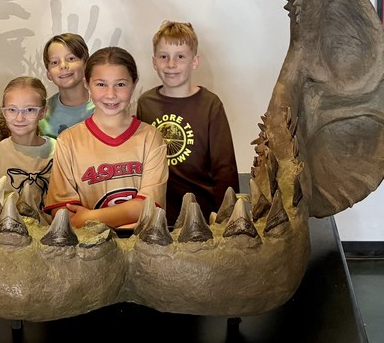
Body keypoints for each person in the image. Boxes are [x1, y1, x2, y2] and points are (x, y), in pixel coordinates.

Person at [44, 47, 167, 229]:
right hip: (88, 251)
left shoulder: (150, 138)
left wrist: (89, 217)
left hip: (143, 248)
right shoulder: (68, 140)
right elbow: (65, 214)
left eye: (120, 84)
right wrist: (125, 215)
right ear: (87, 84)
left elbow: (148, 208)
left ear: (134, 83)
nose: (111, 94)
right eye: (101, 84)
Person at [136, 21, 239, 224]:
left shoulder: (210, 104)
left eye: (180, 57)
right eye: (163, 56)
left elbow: (224, 166)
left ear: (194, 61)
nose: (171, 64)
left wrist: (227, 216)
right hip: (159, 214)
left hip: (204, 213)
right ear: (154, 61)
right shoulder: (145, 104)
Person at [0, 76, 56, 207]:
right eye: (12, 110)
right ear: (3, 111)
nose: (19, 118)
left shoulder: (59, 150)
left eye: (29, 110)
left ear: (43, 112)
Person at [38, 32, 95, 138]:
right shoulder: (42, 114)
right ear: (49, 74)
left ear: (86, 65)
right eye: (55, 62)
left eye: (71, 58)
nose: (63, 66)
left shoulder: (104, 106)